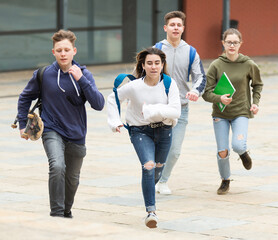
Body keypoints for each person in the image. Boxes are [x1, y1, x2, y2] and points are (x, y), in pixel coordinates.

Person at [17, 29, 105, 217]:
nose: (63, 54)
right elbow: (25, 97)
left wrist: (81, 81)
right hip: (51, 129)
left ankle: (66, 211)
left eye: (66, 50)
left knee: (72, 179)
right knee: (57, 166)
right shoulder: (44, 74)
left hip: (77, 133)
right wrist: (23, 124)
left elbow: (98, 104)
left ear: (74, 51)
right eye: (59, 50)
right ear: (53, 52)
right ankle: (56, 214)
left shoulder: (84, 74)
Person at [107, 47, 181, 228]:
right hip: (140, 132)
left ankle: (150, 187)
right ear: (143, 65)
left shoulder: (169, 84)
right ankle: (151, 212)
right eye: (149, 63)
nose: (153, 67)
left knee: (157, 170)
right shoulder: (134, 86)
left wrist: (151, 110)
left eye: (157, 63)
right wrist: (115, 121)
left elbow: (176, 110)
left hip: (164, 130)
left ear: (162, 65)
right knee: (148, 166)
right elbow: (113, 97)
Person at [202, 28, 263, 195]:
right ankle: (225, 180)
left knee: (237, 144)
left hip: (241, 112)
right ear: (223, 43)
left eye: (235, 42)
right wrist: (219, 98)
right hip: (220, 113)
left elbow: (257, 84)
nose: (232, 45)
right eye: (229, 42)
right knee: (222, 151)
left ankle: (243, 153)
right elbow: (206, 93)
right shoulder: (216, 65)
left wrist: (255, 103)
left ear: (240, 44)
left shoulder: (248, 64)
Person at [155, 11, 206, 195]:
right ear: (165, 28)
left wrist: (194, 91)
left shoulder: (191, 51)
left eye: (179, 25)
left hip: (181, 109)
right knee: (158, 147)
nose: (175, 28)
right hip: (159, 107)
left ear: (183, 28)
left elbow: (200, 77)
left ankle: (163, 181)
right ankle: (152, 178)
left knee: (174, 150)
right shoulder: (157, 50)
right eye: (172, 24)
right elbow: (145, 76)